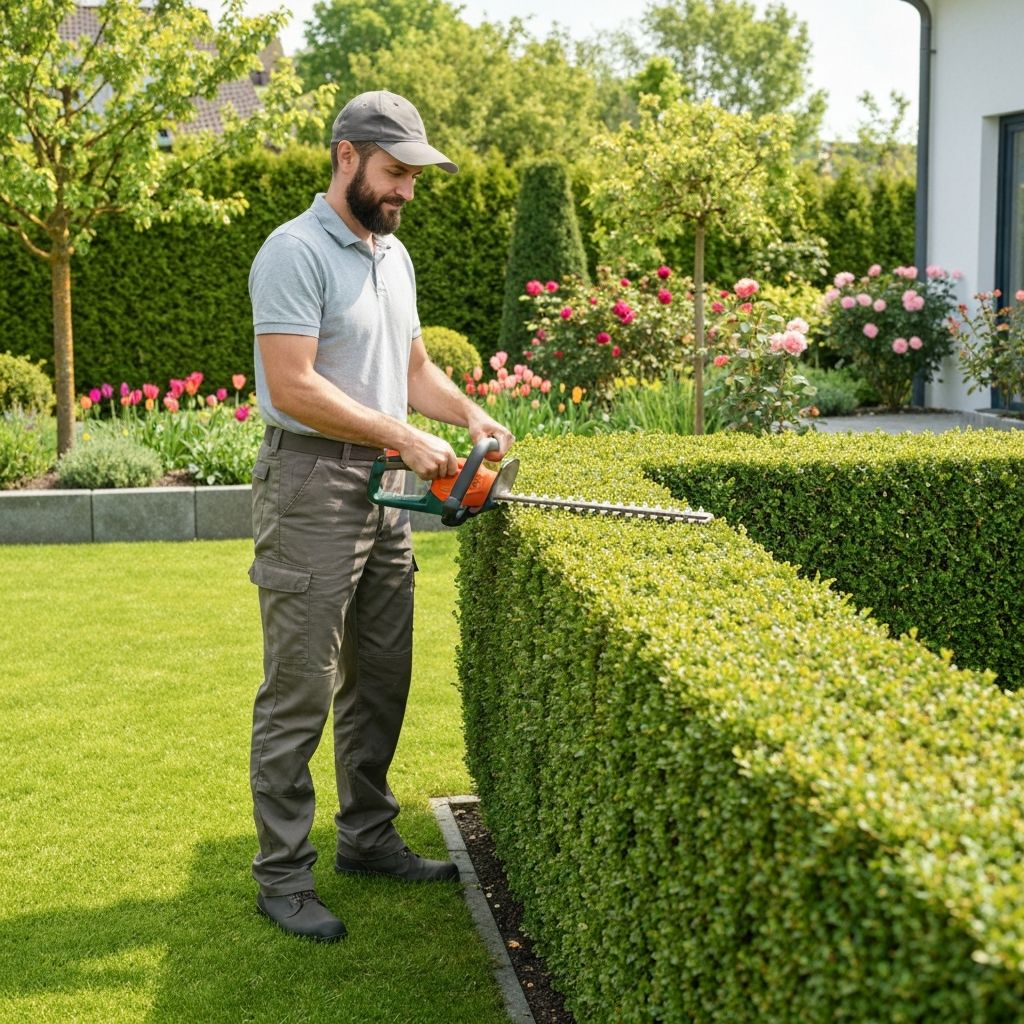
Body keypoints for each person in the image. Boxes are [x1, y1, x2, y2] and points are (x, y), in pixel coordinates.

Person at [246, 90, 514, 943]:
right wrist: (400, 433)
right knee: (299, 692)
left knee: (381, 677)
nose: (404, 190)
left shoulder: (389, 254)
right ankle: (283, 877)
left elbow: (413, 365)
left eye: (413, 177)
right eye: (394, 172)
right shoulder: (293, 252)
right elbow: (293, 386)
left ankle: (365, 838)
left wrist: (465, 414)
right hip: (312, 487)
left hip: (383, 493)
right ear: (347, 156)